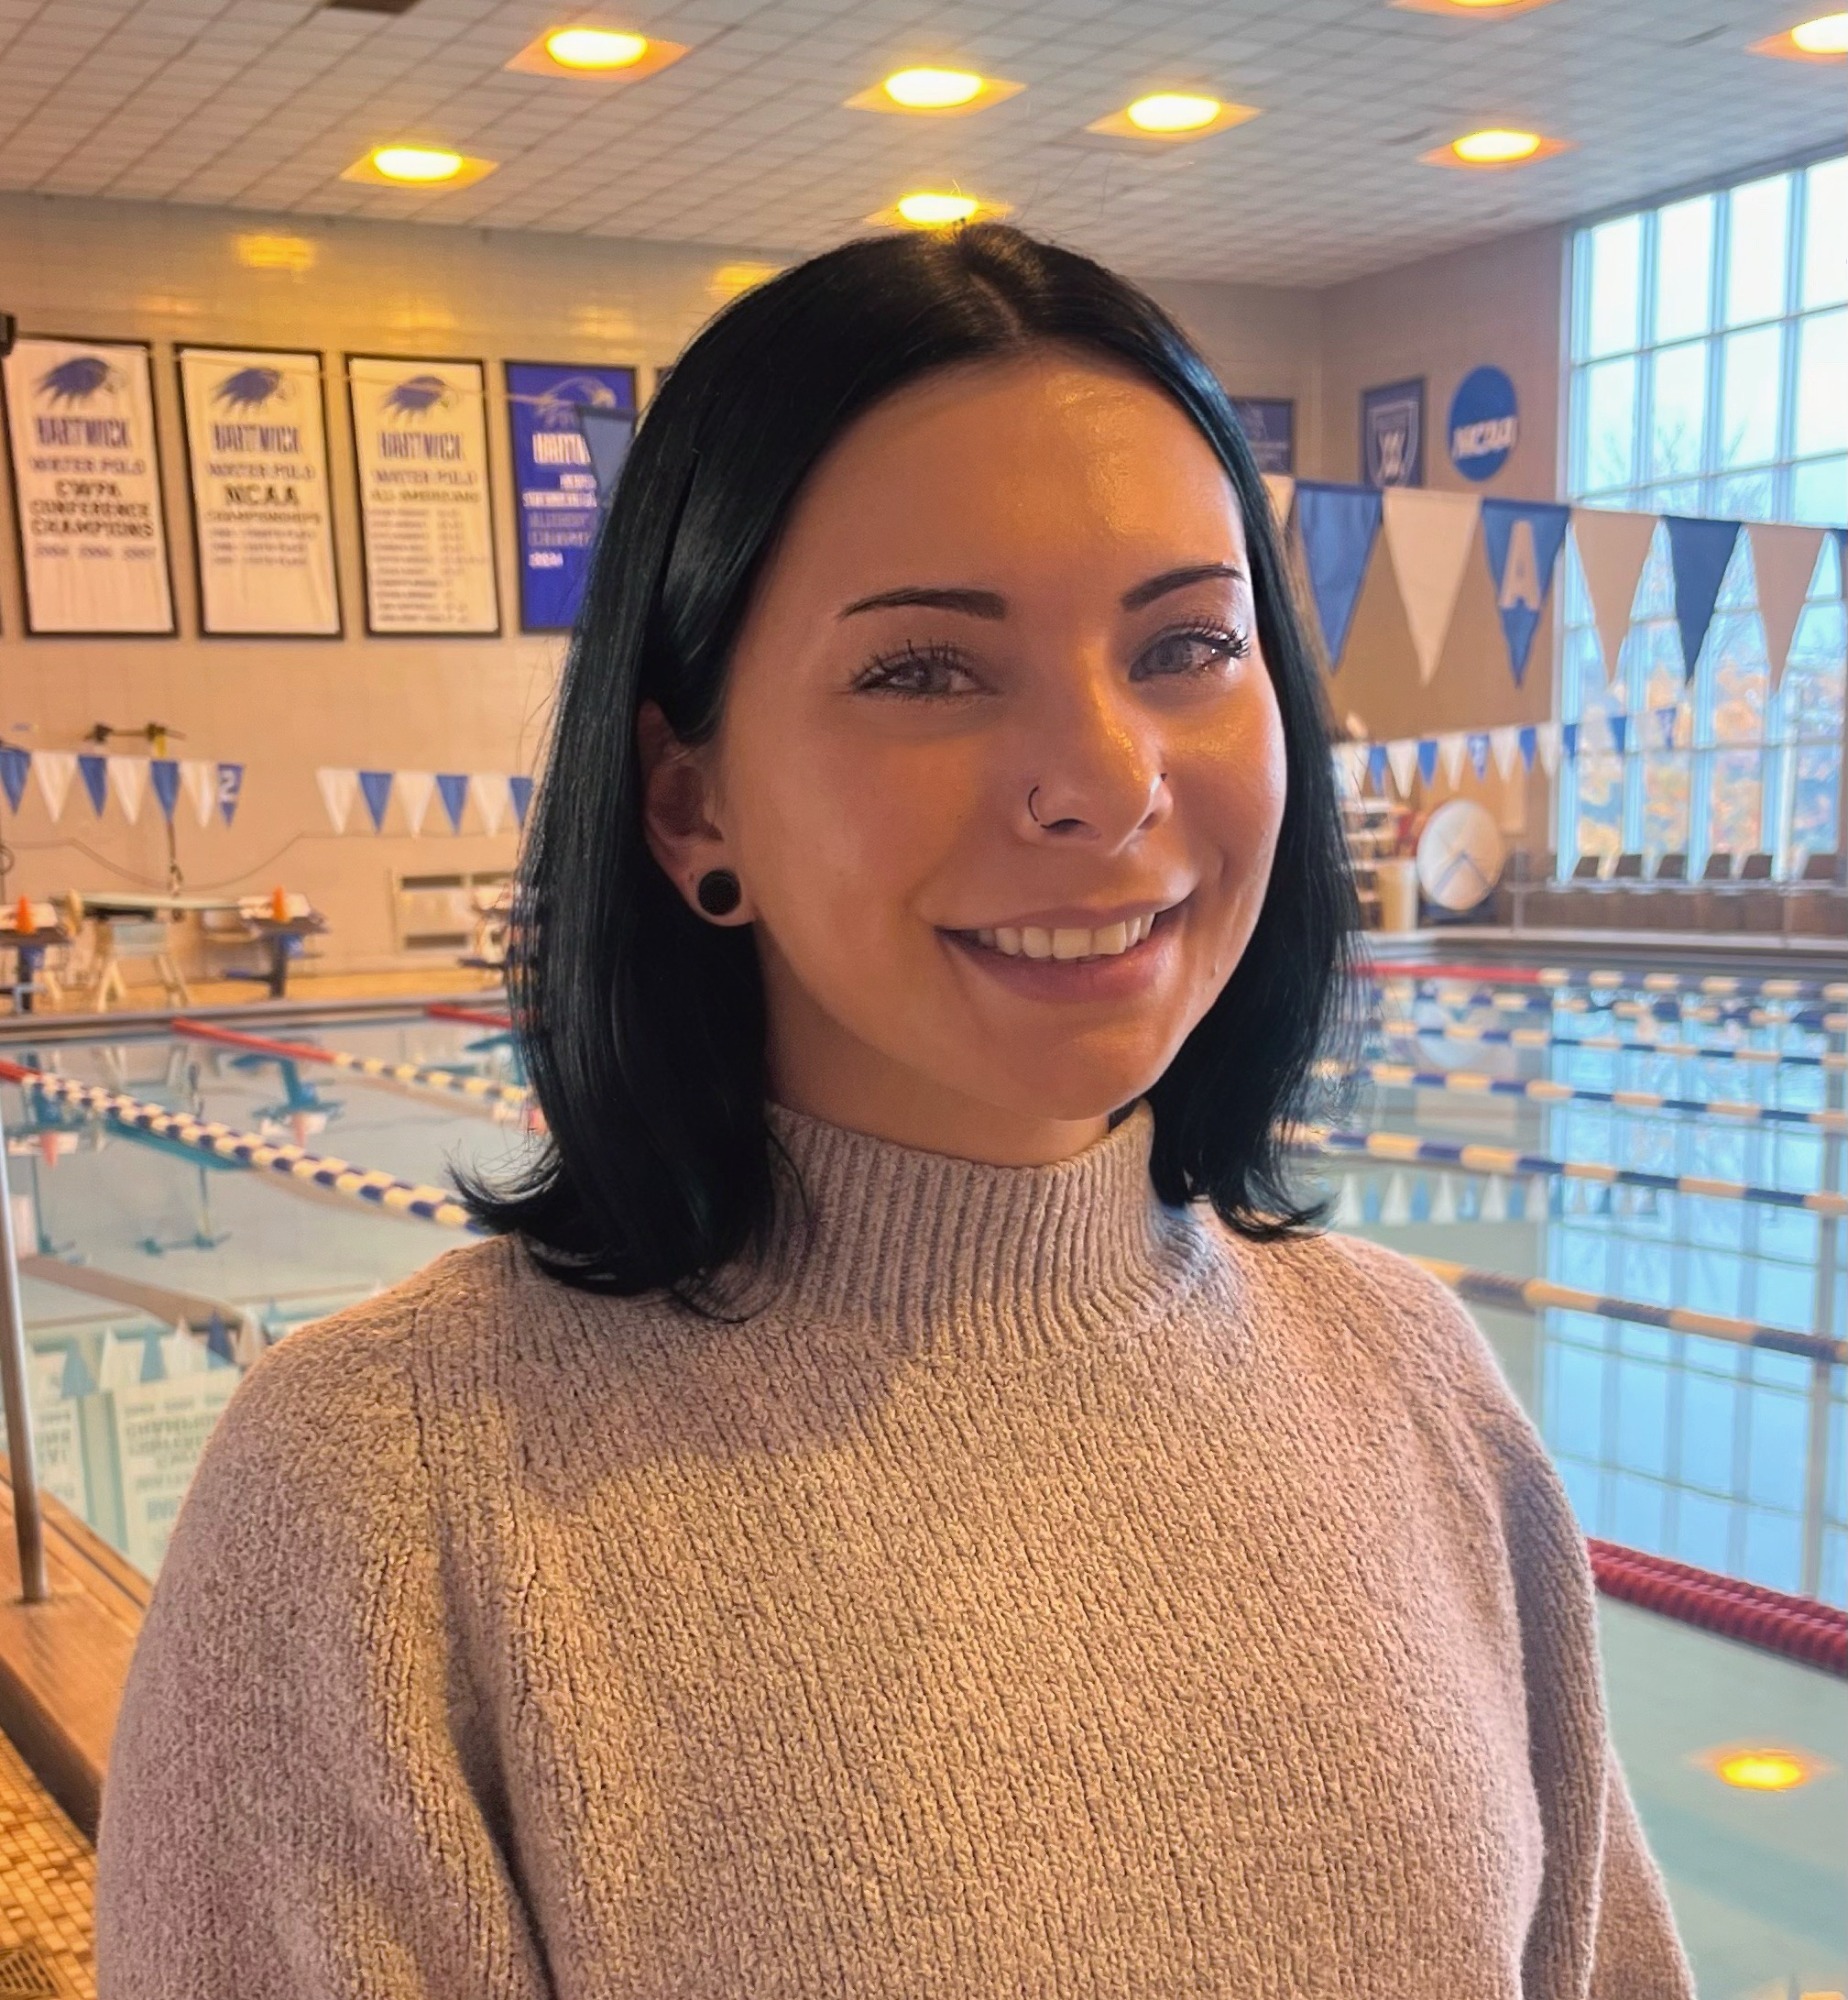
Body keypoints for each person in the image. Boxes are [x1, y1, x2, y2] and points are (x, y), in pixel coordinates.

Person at [93, 222, 1694, 1998]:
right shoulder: (388, 1493)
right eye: (925, 669)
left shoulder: (1414, 1382)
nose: (1103, 776)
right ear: (690, 801)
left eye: (1186, 645)